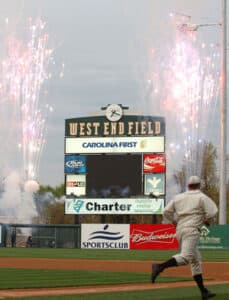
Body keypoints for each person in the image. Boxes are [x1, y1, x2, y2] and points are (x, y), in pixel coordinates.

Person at [151, 175, 218, 300]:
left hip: (180, 230)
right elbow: (213, 211)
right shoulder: (201, 197)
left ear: (188, 186)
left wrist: (173, 221)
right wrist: (206, 219)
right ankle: (159, 266)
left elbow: (166, 211)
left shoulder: (178, 197)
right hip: (191, 230)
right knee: (186, 257)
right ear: (199, 185)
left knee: (195, 260)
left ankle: (204, 292)